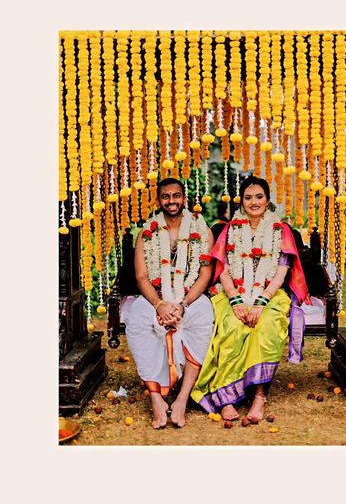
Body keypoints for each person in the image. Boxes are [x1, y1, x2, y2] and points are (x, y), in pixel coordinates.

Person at [191, 176, 310, 422]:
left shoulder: (281, 230)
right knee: (232, 328)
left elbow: (282, 270)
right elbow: (222, 268)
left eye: (259, 197)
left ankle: (259, 396)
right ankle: (225, 398)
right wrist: (235, 301)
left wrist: (261, 302)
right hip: (231, 294)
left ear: (267, 201)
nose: (253, 202)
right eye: (248, 197)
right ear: (241, 201)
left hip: (270, 294)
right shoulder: (229, 229)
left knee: (265, 328)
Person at [125, 178, 215, 429]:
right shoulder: (148, 231)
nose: (172, 201)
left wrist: (183, 304)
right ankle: (156, 397)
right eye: (166, 196)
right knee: (138, 320)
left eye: (176, 196)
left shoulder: (200, 227)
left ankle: (182, 400)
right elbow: (142, 277)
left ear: (184, 199)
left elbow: (205, 275)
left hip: (190, 297)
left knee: (202, 319)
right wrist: (159, 305)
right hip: (156, 296)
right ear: (159, 200)